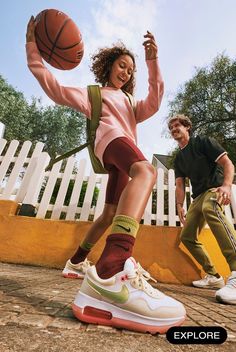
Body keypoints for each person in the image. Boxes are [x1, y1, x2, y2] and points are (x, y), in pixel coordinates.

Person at [26, 17, 185, 333]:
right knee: (145, 171)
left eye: (131, 69)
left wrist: (153, 63)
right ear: (109, 65)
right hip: (111, 142)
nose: (126, 72)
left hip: (120, 151)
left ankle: (75, 262)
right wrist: (33, 48)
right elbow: (53, 86)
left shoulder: (129, 102)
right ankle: (114, 264)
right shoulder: (95, 95)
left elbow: (154, 99)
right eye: (122, 65)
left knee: (110, 212)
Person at [169, 114, 236, 305]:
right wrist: (179, 205)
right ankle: (213, 276)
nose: (174, 129)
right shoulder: (179, 158)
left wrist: (226, 186)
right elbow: (180, 185)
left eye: (177, 125)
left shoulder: (203, 142)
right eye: (171, 127)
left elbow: (228, 164)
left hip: (214, 190)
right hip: (197, 197)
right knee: (187, 236)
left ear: (187, 127)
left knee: (211, 208)